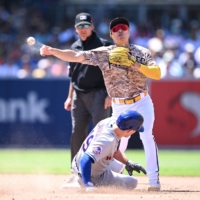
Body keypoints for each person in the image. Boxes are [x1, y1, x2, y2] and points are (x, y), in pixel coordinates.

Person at [40, 17, 161, 191]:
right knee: (116, 141)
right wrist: (53, 51)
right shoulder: (104, 53)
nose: (120, 30)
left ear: (128, 31)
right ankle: (95, 176)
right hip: (119, 105)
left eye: (123, 27)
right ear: (111, 34)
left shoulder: (141, 52)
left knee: (147, 136)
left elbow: (157, 74)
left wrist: (135, 64)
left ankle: (154, 182)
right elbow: (76, 56)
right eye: (116, 29)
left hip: (141, 101)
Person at [63, 13, 112, 163]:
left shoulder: (104, 45)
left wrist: (110, 94)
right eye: (80, 26)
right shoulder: (74, 47)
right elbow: (73, 76)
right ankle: (75, 170)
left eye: (86, 25)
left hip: (99, 93)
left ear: (92, 26)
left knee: (101, 133)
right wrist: (70, 96)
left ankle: (102, 169)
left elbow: (111, 73)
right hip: (79, 95)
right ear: (75, 29)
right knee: (77, 132)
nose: (83, 29)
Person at [71, 110, 146, 191]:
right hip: (88, 173)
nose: (134, 132)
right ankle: (86, 182)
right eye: (135, 130)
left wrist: (128, 162)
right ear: (129, 130)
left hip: (77, 161)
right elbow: (85, 159)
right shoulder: (107, 140)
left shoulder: (109, 121)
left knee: (119, 166)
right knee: (132, 182)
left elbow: (114, 151)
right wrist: (88, 185)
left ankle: (82, 179)